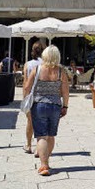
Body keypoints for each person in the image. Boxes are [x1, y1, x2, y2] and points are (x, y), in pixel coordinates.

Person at [22, 45, 69, 176]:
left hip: (39, 105)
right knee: (51, 135)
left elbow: (27, 87)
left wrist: (26, 99)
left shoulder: (37, 69)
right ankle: (46, 160)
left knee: (41, 136)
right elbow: (65, 91)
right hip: (55, 106)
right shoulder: (61, 72)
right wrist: (65, 106)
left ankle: (44, 165)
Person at [22, 42, 44, 154]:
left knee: (30, 122)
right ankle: (38, 148)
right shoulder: (45, 64)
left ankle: (28, 145)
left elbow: (26, 83)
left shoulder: (27, 64)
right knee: (40, 123)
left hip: (30, 96)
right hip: (42, 96)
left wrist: (24, 97)